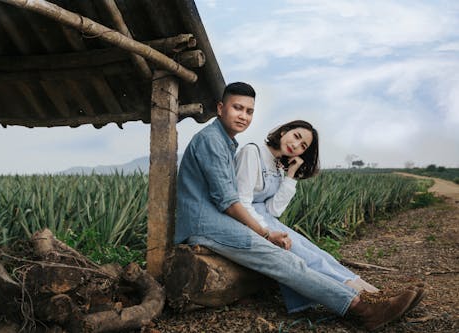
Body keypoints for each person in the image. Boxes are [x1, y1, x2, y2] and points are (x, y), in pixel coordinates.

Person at [175, 82, 422, 331]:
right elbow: (229, 202)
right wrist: (265, 233)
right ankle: (363, 309)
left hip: (216, 221)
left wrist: (287, 181)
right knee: (285, 259)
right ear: (221, 108)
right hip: (204, 224)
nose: (243, 116)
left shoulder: (225, 141)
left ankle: (370, 297)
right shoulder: (212, 141)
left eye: (249, 111)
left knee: (306, 254)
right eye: (237, 108)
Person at [234, 120, 379, 313]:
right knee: (302, 255)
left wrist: (291, 175)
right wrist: (266, 232)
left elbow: (273, 210)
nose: (296, 145)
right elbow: (241, 202)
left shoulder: (278, 165)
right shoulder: (252, 153)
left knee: (317, 253)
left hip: (266, 219)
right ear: (284, 131)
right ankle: (358, 298)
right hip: (248, 221)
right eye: (296, 136)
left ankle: (368, 290)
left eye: (303, 146)